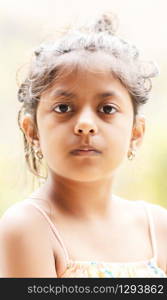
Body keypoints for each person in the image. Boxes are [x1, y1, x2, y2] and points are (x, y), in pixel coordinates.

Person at [0, 12, 167, 278]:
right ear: (33, 132)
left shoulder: (158, 228)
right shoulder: (28, 227)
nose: (85, 124)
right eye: (64, 107)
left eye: (107, 109)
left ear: (136, 132)